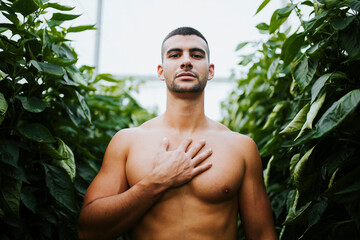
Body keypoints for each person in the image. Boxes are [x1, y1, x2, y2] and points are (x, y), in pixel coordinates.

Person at [78, 27, 277, 240]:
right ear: (161, 71)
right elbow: (88, 231)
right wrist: (157, 181)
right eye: (175, 55)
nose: (186, 61)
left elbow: (261, 234)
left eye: (196, 55)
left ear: (210, 71)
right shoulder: (127, 142)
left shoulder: (241, 147)